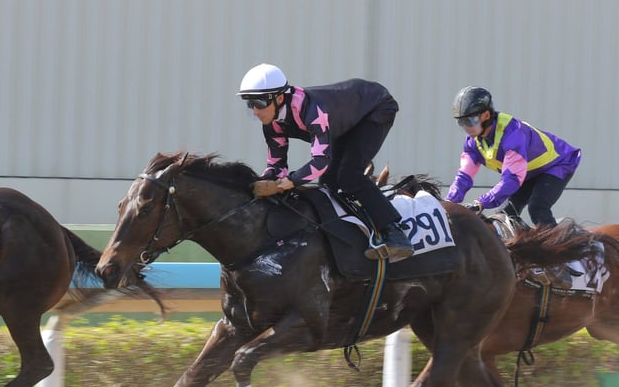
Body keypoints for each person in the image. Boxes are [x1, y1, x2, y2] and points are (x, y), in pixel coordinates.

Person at [237, 63, 413, 261]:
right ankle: (350, 236)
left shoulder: (312, 111)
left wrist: (287, 182)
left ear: (279, 98)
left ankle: (395, 233)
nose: (255, 111)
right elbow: (276, 164)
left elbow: (321, 162)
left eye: (259, 103)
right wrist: (266, 181)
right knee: (328, 185)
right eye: (250, 104)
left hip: (376, 108)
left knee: (349, 175)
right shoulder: (272, 123)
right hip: (346, 120)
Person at [447, 86, 581, 228]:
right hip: (529, 172)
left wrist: (481, 203)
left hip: (558, 164)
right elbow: (464, 176)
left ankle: (561, 242)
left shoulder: (512, 134)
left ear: (486, 115)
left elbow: (511, 180)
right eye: (461, 122)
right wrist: (448, 202)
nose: (466, 127)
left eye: (470, 121)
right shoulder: (472, 143)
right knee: (505, 215)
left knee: (537, 208)